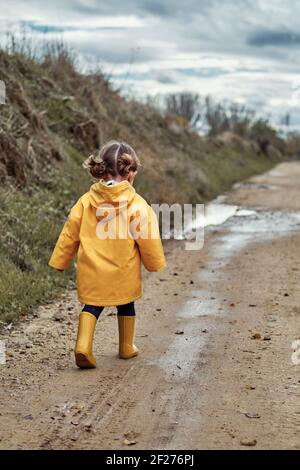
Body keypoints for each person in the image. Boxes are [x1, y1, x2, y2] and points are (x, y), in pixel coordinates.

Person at [48, 140, 166, 368]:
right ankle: (125, 347)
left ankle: (83, 346)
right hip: (124, 272)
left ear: (100, 170)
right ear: (131, 174)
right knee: (126, 304)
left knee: (92, 306)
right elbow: (148, 238)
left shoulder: (85, 202)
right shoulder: (138, 206)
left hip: (92, 270)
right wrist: (154, 263)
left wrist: (60, 260)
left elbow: (69, 233)